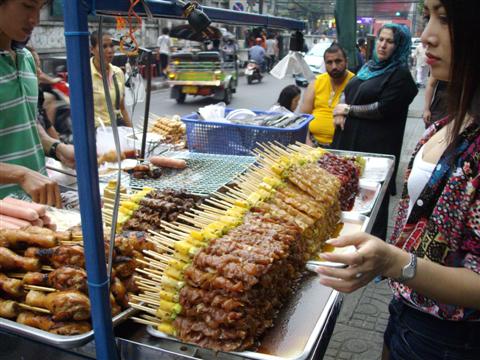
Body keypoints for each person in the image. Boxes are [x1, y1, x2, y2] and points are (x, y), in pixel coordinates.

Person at [317, 1, 480, 359]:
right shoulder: (455, 116)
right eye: (427, 17)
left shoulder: (404, 80)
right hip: (408, 310)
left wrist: (394, 262)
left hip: (451, 336)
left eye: (446, 19)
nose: (427, 36)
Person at [332, 24, 418, 239]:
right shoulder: (369, 66)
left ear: (399, 47)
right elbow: (349, 89)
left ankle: (371, 249)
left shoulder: (401, 76)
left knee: (370, 199)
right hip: (350, 141)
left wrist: (349, 110)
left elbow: (382, 109)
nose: (383, 45)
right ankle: (342, 238)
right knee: (346, 191)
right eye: (381, 39)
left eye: (390, 42)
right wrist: (340, 111)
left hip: (375, 148)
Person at [0, 0, 75, 207]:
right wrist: (20, 175)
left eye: (39, 8)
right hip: (7, 219)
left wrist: (57, 148)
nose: (35, 20)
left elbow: (25, 122)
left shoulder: (26, 59)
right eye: (27, 6)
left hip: (37, 207)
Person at [301, 44, 354, 147]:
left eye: (338, 61)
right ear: (324, 64)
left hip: (341, 146)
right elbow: (303, 118)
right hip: (313, 144)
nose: (334, 66)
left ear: (346, 61)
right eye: (329, 62)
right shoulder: (316, 82)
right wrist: (307, 140)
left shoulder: (355, 83)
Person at [90, 31, 132, 128]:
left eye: (112, 46)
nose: (109, 50)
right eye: (104, 46)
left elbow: (122, 109)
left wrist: (132, 133)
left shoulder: (118, 73)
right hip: (97, 132)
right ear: (92, 49)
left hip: (117, 129)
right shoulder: (85, 74)